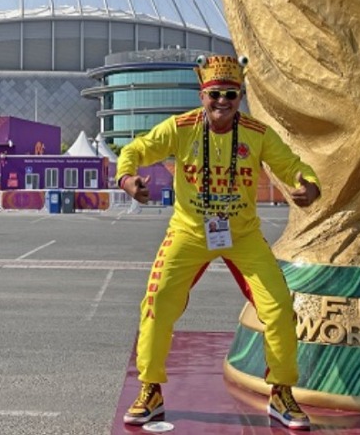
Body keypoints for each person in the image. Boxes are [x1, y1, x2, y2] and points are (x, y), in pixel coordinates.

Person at [116, 55, 321, 430]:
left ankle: (282, 393)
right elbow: (135, 150)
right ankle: (151, 389)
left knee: (278, 307)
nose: (222, 101)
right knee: (157, 302)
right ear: (202, 94)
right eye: (215, 94)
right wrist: (128, 179)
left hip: (242, 235)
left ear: (240, 96)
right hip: (189, 232)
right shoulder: (180, 128)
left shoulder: (258, 134)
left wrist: (307, 182)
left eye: (231, 94)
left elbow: (290, 163)